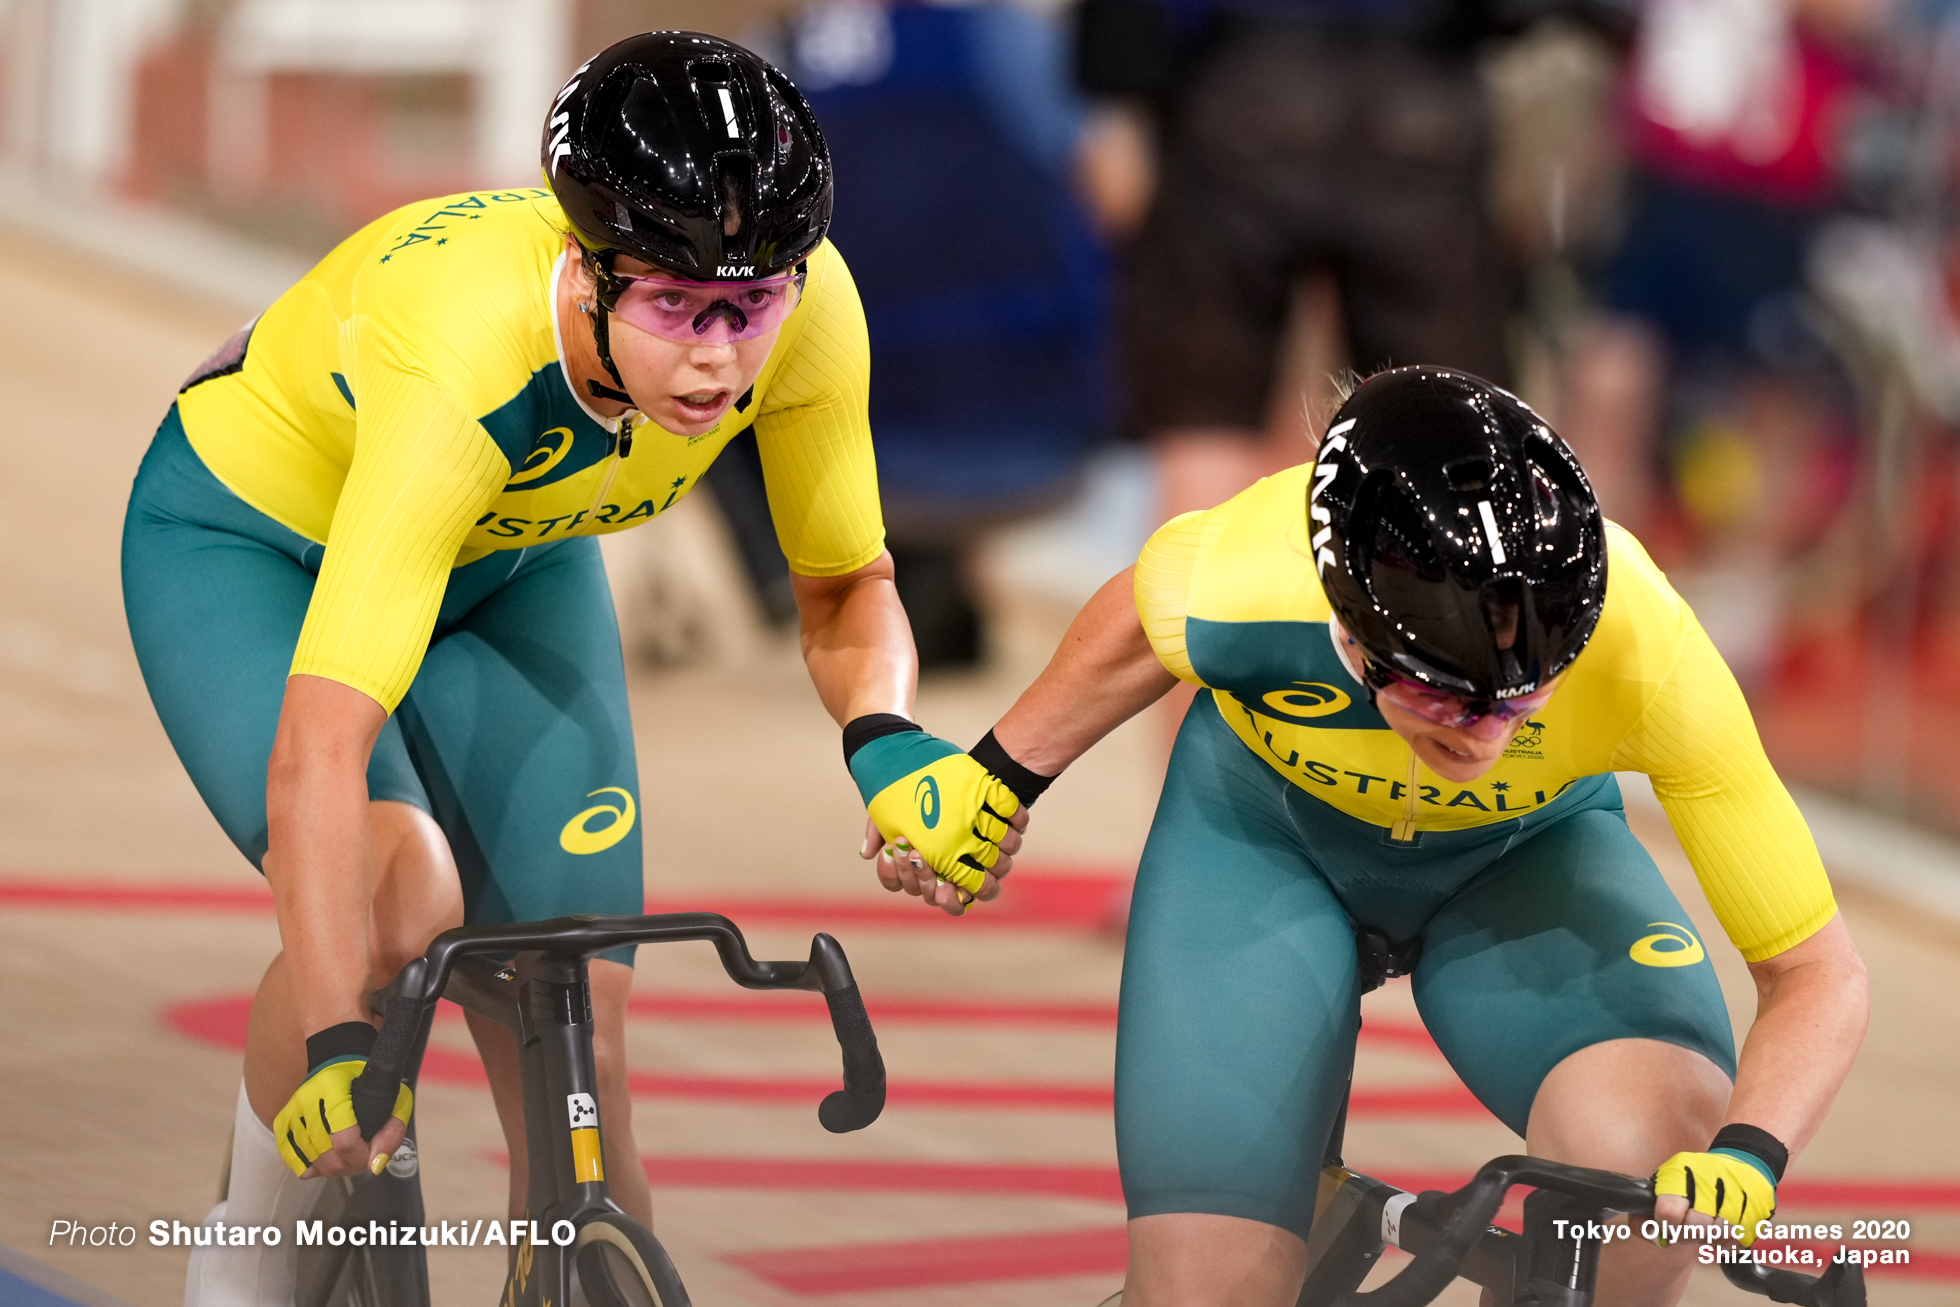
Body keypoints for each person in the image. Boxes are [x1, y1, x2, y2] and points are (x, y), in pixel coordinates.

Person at [123, 31, 1017, 1306]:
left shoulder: (810, 312)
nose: (721, 356)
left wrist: (886, 738)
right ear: (580, 271)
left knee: (579, 1062)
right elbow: (318, 748)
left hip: (507, 552)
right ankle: (248, 1264)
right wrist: (336, 1033)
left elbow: (842, 587)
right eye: (676, 307)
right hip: (256, 546)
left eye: (751, 305)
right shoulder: (467, 361)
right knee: (397, 902)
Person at [881, 367, 1868, 1306]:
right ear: (1345, 629)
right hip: (1263, 840)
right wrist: (996, 778)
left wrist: (1748, 1148)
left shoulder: (1644, 642)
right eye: (1440, 686)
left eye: (1524, 692)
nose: (1483, 730)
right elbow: (1133, 631)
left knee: (1642, 1184)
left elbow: (1815, 969)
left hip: (1522, 862)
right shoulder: (1246, 567)